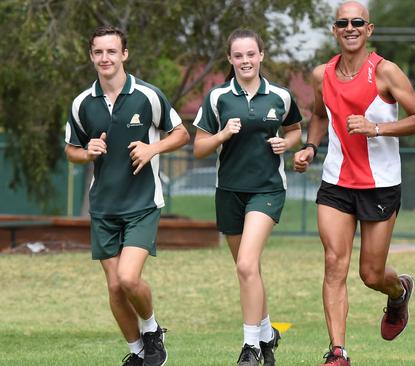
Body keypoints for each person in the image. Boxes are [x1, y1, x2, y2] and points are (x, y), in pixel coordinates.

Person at [293, 2, 415, 365]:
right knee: (333, 263)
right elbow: (320, 116)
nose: (350, 27)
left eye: (357, 22)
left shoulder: (386, 72)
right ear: (334, 30)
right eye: (343, 23)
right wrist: (310, 146)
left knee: (370, 274)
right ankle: (338, 351)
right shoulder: (321, 74)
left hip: (381, 184)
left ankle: (399, 291)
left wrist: (378, 128)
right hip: (336, 182)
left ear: (368, 30)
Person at [64, 25, 189, 366]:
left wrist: (153, 148)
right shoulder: (81, 103)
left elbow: (181, 134)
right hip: (103, 206)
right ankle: (138, 353)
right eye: (99, 52)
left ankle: (152, 330)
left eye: (111, 51)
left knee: (128, 278)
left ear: (124, 54)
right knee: (115, 288)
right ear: (92, 56)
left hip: (142, 203)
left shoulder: (148, 96)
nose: (105, 58)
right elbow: (71, 150)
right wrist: (86, 151)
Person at [193, 29, 302, 366]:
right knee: (247, 270)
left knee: (245, 264)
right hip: (229, 192)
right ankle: (267, 334)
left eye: (251, 54)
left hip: (267, 189)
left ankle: (250, 346)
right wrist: (223, 133)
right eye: (238, 56)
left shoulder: (279, 96)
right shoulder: (218, 98)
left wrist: (288, 144)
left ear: (261, 56)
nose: (245, 61)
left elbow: (296, 130)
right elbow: (198, 148)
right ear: (230, 59)